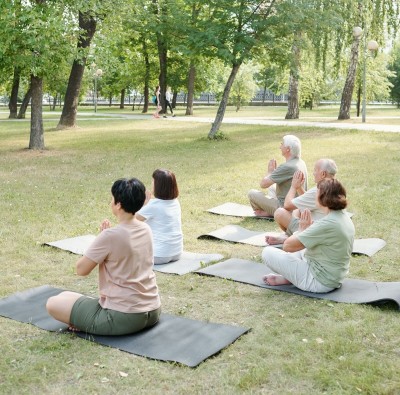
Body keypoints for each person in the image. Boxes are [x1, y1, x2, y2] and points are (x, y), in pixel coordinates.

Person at [46, 178, 161, 336]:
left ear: (118, 204)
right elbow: (123, 250)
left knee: (52, 303)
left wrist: (100, 240)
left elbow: (81, 270)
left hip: (124, 316)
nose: (111, 202)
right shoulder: (145, 228)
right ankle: (85, 319)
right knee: (65, 295)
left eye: (112, 199)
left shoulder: (110, 236)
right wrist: (104, 240)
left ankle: (85, 323)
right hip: (153, 310)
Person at [262, 179, 355, 293]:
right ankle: (289, 277)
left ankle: (292, 278)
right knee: (301, 250)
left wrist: (301, 230)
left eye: (317, 192)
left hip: (319, 281)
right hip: (334, 276)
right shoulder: (342, 216)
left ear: (322, 198)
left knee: (267, 253)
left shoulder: (327, 224)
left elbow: (287, 246)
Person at [266, 158, 338, 245]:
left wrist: (293, 187)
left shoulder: (318, 190)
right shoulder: (337, 187)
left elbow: (287, 205)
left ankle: (290, 237)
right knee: (298, 209)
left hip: (316, 233)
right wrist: (299, 187)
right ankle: (289, 236)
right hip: (330, 230)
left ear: (323, 174)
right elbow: (308, 200)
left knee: (279, 213)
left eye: (315, 170)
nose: (313, 173)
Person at [248, 135, 308, 217]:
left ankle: (268, 213)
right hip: (297, 205)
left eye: (282, 144)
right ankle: (269, 211)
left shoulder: (287, 166)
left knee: (252, 194)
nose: (280, 146)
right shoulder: (301, 162)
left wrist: (270, 172)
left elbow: (263, 184)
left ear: (288, 149)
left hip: (285, 208)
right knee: (272, 187)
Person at [136, 169, 183, 264]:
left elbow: (130, 221)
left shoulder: (153, 205)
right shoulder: (175, 202)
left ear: (159, 186)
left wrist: (144, 204)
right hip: (177, 253)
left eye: (153, 182)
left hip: (158, 255)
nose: (152, 184)